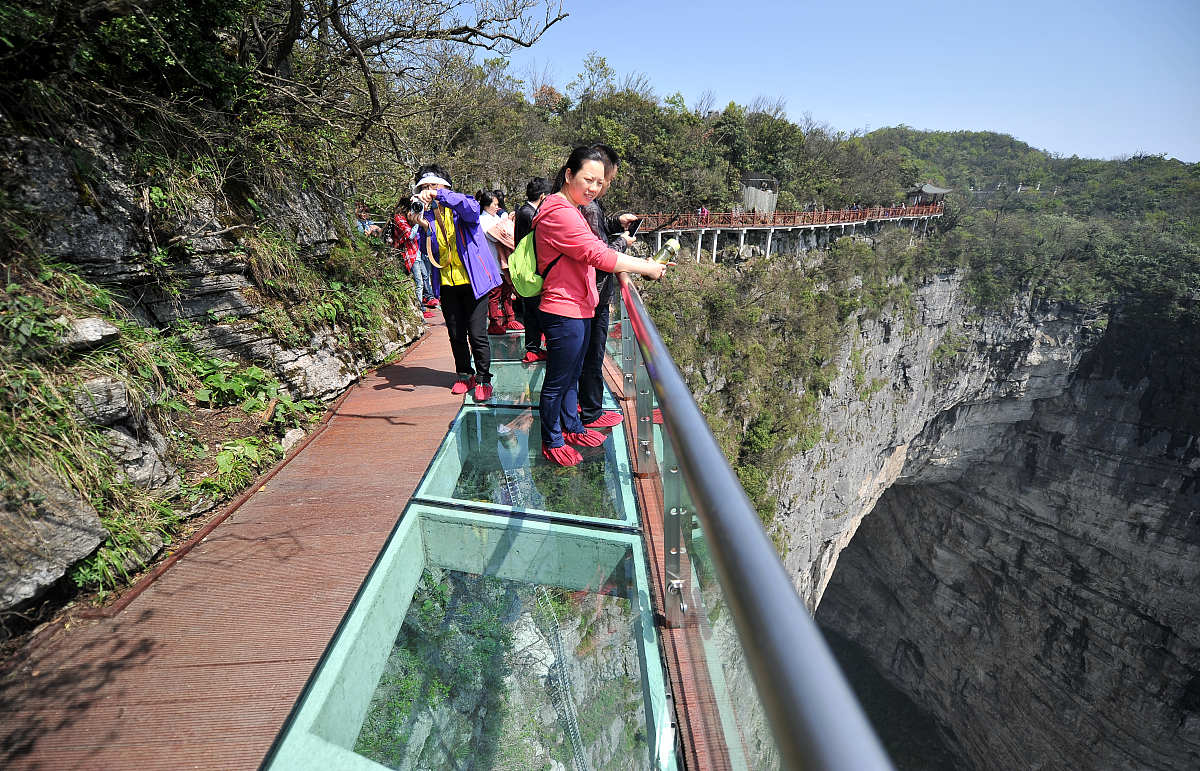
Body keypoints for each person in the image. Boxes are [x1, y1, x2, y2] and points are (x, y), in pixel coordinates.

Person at [534, 146, 668, 467]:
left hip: (578, 305)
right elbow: (598, 254)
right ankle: (552, 440)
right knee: (557, 381)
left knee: (571, 375)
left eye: (599, 181)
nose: (593, 188)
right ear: (569, 175)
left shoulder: (573, 208)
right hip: (563, 308)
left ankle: (572, 426)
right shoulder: (559, 212)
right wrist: (646, 267)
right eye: (587, 179)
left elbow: (596, 248)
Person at [412, 164, 503, 401]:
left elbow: (472, 209)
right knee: (455, 334)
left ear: (445, 187)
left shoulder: (463, 208)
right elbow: (429, 250)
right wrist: (424, 226)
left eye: (433, 185)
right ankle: (465, 375)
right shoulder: (428, 216)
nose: (428, 191)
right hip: (447, 284)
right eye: (424, 187)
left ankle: (483, 379)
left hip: (473, 283)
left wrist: (439, 195)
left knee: (477, 334)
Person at [577, 144, 636, 430]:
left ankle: (586, 406)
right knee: (593, 354)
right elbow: (601, 255)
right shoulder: (588, 206)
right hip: (595, 293)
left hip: (589, 292)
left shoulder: (584, 204)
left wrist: (615, 223)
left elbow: (595, 234)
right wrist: (624, 241)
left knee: (587, 352)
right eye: (605, 180)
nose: (604, 186)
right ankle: (591, 411)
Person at [516, 177, 552, 363]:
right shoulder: (531, 214)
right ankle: (544, 347)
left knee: (531, 311)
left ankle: (533, 348)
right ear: (543, 196)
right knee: (540, 310)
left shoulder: (524, 211)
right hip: (533, 269)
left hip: (527, 269)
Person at [477, 191, 523, 335]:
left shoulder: (496, 218)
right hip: (492, 261)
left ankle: (510, 318)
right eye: (495, 204)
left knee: (507, 290)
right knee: (495, 293)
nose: (497, 207)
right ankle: (494, 322)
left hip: (503, 260)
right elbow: (494, 236)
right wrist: (506, 223)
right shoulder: (482, 220)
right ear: (486, 205)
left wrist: (508, 221)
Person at [392, 195, 434, 319]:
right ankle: (420, 309)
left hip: (416, 252)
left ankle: (423, 305)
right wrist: (417, 223)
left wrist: (419, 218)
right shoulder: (399, 218)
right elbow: (409, 235)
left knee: (425, 276)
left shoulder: (409, 217)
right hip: (408, 253)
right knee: (419, 283)